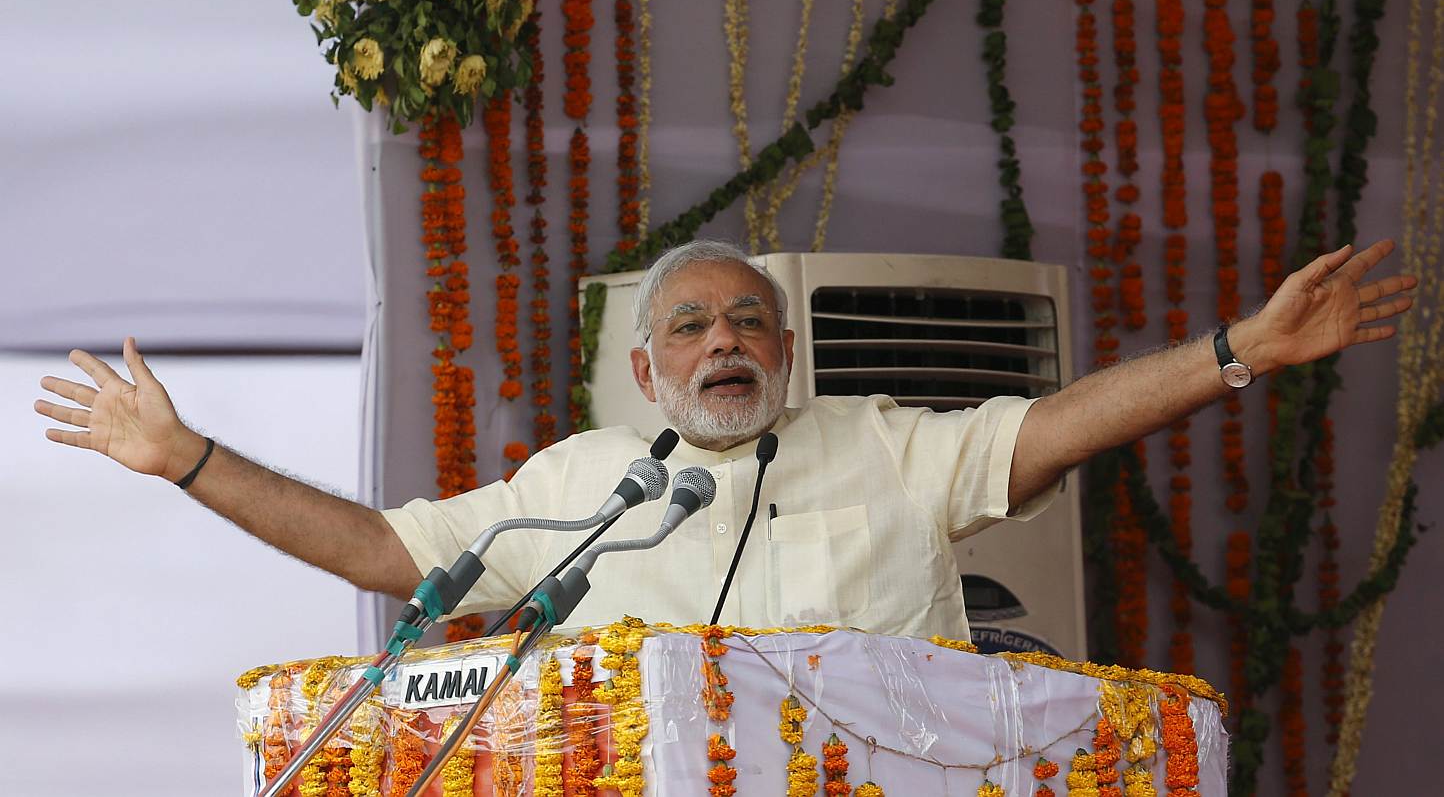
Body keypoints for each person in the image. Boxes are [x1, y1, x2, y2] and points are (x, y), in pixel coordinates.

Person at [34, 238, 1417, 637]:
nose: (723, 343)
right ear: (644, 367)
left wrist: (1237, 352)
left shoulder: (878, 443)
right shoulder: (575, 487)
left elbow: (1051, 428)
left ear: (789, 349)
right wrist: (192, 459)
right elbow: (388, 551)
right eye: (691, 326)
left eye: (749, 321)